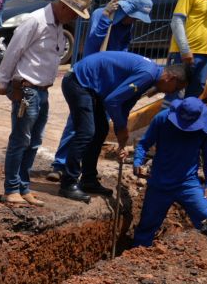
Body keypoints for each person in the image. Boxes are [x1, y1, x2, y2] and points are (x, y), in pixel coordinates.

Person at [0, 0, 89, 205]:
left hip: (42, 90)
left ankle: (23, 186)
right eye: (73, 14)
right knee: (20, 139)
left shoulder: (57, 26)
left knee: (34, 141)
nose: (73, 19)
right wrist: (3, 82)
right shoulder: (35, 21)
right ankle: (11, 189)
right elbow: (13, 52)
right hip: (26, 89)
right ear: (65, 7)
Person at [50, 0, 153, 180]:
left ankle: (86, 169)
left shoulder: (127, 26)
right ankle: (61, 164)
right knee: (78, 122)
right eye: (134, 16)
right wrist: (106, 19)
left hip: (110, 82)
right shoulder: (103, 14)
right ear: (127, 9)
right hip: (91, 78)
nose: (134, 21)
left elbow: (123, 52)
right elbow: (91, 46)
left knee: (99, 128)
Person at [58, 53, 185, 201]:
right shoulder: (148, 74)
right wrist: (121, 127)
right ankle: (68, 183)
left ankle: (88, 179)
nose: (171, 92)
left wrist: (122, 136)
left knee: (100, 130)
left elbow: (124, 105)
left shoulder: (150, 77)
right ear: (171, 78)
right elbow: (113, 101)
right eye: (175, 88)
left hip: (92, 88)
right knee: (86, 132)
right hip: (78, 82)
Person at [131, 97, 207, 248]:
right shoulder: (162, 119)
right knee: (147, 226)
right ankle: (134, 257)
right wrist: (138, 161)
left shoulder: (206, 125)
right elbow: (144, 143)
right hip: (160, 183)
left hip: (188, 184)